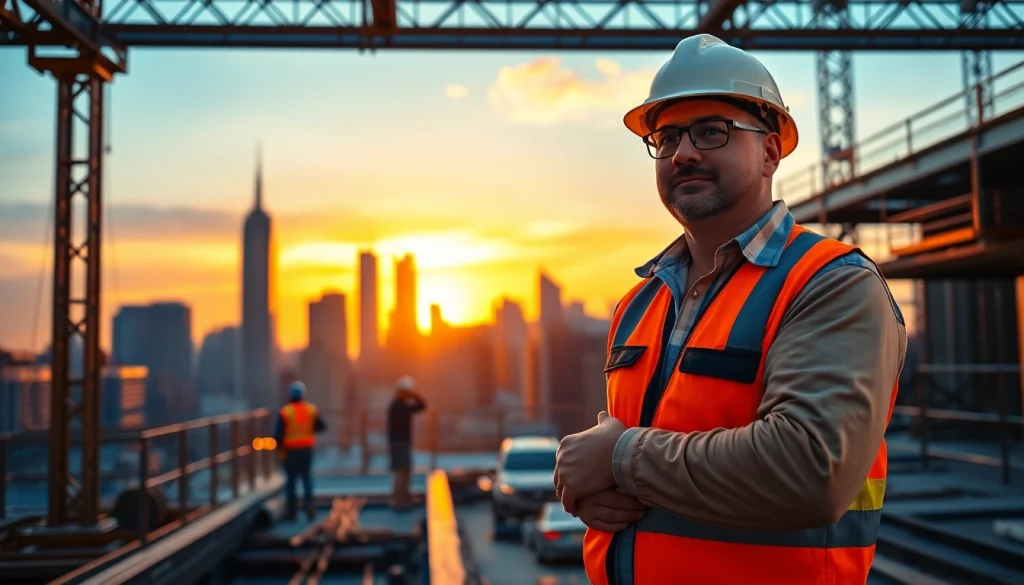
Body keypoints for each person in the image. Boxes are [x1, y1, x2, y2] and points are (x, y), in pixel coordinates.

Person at [552, 34, 907, 585]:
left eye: (712, 130)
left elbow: (810, 470)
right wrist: (589, 488)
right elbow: (629, 447)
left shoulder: (831, 286)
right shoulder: (639, 304)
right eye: (666, 138)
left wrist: (619, 460)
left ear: (770, 151)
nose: (683, 152)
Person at [274, 381, 326, 521]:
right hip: (307, 449)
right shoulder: (311, 410)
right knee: (306, 478)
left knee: (291, 480)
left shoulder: (286, 412)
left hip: (291, 451)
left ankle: (292, 511)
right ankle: (309, 506)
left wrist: (279, 450)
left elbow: (278, 435)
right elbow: (321, 426)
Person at [386, 375, 426, 509]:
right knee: (401, 470)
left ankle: (404, 497)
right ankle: (399, 499)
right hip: (399, 442)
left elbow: (422, 406)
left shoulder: (399, 404)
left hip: (400, 442)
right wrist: (413, 395)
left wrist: (412, 394)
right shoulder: (398, 405)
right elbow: (421, 405)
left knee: (404, 470)